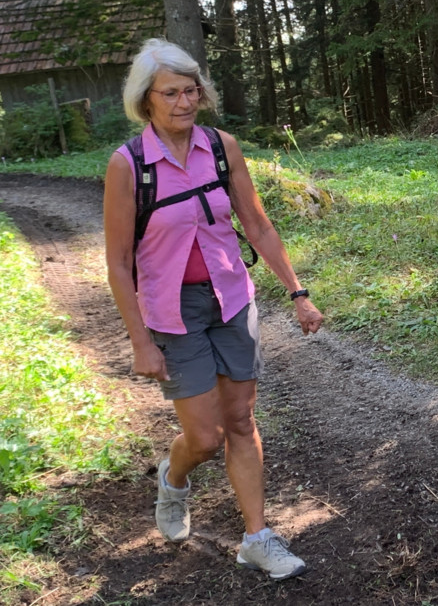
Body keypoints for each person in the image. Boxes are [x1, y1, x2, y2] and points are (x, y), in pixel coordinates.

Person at [104, 38, 323, 581]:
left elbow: (258, 225)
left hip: (231, 298)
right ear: (146, 100)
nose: (185, 102)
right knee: (204, 437)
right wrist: (140, 342)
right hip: (172, 311)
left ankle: (257, 538)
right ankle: (173, 478)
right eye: (171, 93)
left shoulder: (222, 148)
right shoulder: (129, 166)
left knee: (241, 421)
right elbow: (119, 263)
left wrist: (298, 293)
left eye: (191, 90)